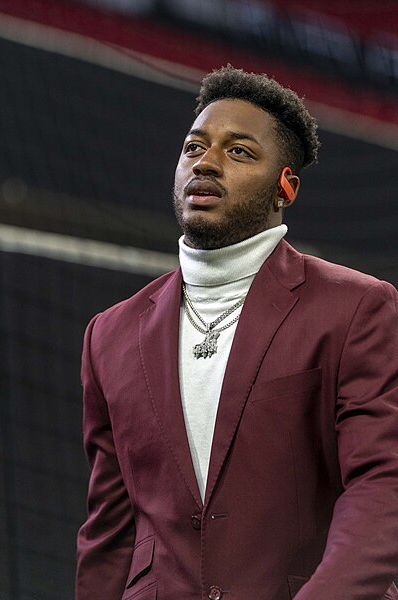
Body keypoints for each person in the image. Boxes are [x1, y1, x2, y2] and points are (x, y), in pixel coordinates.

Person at [76, 66, 398, 600]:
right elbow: (109, 532)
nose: (204, 162)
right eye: (193, 147)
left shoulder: (358, 307)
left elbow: (383, 485)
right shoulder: (108, 335)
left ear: (285, 186)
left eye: (239, 151)